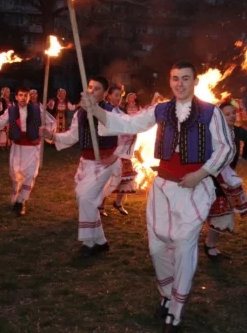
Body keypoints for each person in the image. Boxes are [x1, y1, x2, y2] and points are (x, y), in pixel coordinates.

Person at [79, 61, 234, 332]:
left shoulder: (211, 112)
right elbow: (127, 122)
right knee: (157, 247)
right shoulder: (161, 109)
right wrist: (95, 110)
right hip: (162, 188)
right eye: (175, 78)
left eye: (186, 79)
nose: (180, 84)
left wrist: (202, 173)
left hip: (194, 190)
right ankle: (166, 293)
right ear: (170, 80)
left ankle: (176, 307)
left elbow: (226, 148)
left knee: (184, 246)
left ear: (195, 81)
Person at [40, 76, 121, 258]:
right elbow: (71, 137)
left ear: (105, 93)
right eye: (90, 87)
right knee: (85, 200)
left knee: (85, 198)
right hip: (86, 162)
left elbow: (128, 136)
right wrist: (51, 135)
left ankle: (88, 243)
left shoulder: (112, 112)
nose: (92, 91)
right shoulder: (80, 113)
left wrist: (115, 156)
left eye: (97, 88)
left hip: (105, 163)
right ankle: (100, 241)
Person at [204, 98, 247, 260]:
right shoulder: (213, 132)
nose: (232, 116)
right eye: (227, 114)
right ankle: (207, 243)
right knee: (218, 210)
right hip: (212, 176)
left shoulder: (238, 132)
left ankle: (210, 243)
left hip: (228, 177)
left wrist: (245, 156)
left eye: (233, 113)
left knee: (224, 211)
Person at [0, 86, 54, 216]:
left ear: (29, 97)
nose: (23, 98)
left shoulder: (38, 109)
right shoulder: (10, 111)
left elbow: (51, 122)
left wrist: (45, 133)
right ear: (16, 97)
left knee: (30, 174)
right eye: (20, 95)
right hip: (18, 147)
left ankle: (21, 202)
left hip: (33, 147)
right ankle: (17, 197)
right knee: (15, 175)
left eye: (25, 95)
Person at [103, 85, 138, 216]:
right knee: (107, 178)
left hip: (123, 151)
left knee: (126, 177)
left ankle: (118, 202)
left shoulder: (122, 112)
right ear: (109, 95)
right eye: (116, 95)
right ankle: (101, 205)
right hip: (110, 150)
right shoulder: (105, 110)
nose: (118, 98)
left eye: (120, 95)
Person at [0, 87, 13, 151]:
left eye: (9, 91)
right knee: (2, 131)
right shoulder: (1, 100)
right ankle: (0, 145)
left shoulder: (10, 100)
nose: (8, 93)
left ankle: (7, 144)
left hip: (10, 118)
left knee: (8, 131)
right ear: (4, 92)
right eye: (7, 91)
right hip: (3, 117)